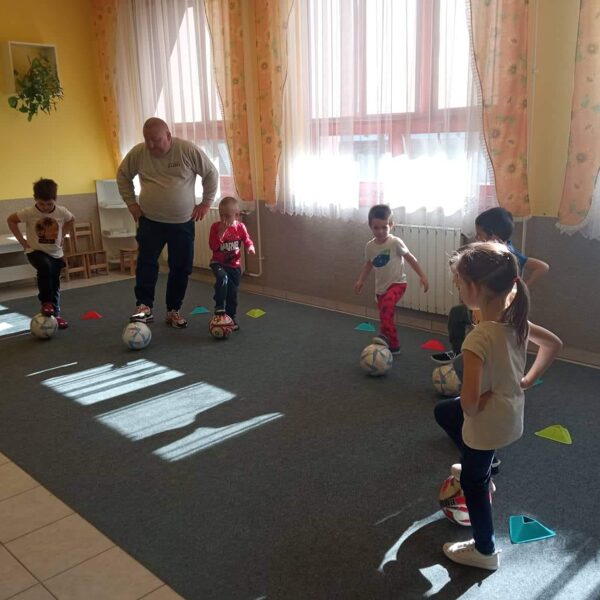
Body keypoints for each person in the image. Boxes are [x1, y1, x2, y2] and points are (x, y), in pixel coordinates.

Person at [434, 241, 562, 571]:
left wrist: (480, 398)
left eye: (459, 283)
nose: (458, 288)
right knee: (444, 411)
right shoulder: (516, 323)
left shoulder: (477, 338)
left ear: (475, 288)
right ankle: (483, 468)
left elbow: (471, 406)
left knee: (472, 486)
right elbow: (553, 344)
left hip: (487, 425)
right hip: (510, 417)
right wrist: (527, 380)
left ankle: (485, 550)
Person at [116, 117, 219, 328]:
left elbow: (211, 173)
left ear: (169, 136)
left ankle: (173, 310)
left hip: (182, 222)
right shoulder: (139, 153)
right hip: (150, 221)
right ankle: (144, 307)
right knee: (146, 264)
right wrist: (131, 203)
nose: (151, 145)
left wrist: (206, 203)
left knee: (180, 267)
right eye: (147, 140)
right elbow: (123, 175)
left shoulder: (186, 150)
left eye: (156, 140)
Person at [432, 207, 549, 364]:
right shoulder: (505, 253)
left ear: (493, 236)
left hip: (493, 306)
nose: (476, 237)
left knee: (475, 328)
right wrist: (522, 286)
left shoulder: (501, 256)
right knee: (462, 317)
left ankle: (468, 356)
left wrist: (522, 286)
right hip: (490, 303)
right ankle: (461, 353)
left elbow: (542, 267)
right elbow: (543, 267)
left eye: (479, 234)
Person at [354, 204, 429, 353]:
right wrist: (360, 280)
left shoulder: (395, 243)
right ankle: (386, 339)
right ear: (370, 226)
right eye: (376, 228)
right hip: (380, 288)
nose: (380, 231)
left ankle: (391, 342)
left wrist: (423, 276)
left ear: (391, 225)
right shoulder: (369, 247)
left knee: (387, 308)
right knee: (385, 316)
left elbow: (410, 259)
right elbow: (368, 264)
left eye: (384, 227)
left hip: (397, 284)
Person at [7, 178, 74, 329]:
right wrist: (23, 242)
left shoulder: (61, 211)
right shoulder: (29, 212)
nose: (45, 207)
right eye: (41, 204)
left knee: (55, 283)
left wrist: (62, 237)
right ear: (35, 199)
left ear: (55, 199)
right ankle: (46, 303)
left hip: (55, 253)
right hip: (35, 251)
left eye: (49, 204)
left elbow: (71, 220)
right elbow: (11, 220)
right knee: (45, 267)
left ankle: (56, 315)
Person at [208, 197, 255, 329]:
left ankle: (230, 318)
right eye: (221, 215)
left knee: (232, 294)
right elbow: (213, 246)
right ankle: (219, 306)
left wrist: (250, 246)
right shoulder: (215, 227)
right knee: (222, 277)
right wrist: (221, 234)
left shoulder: (240, 227)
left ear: (237, 215)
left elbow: (247, 239)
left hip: (234, 265)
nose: (224, 219)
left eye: (228, 216)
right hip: (218, 263)